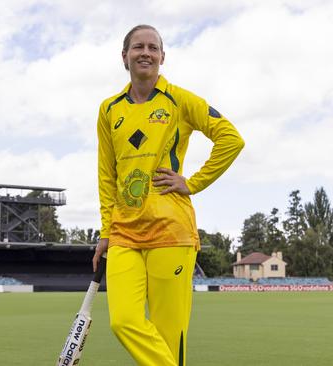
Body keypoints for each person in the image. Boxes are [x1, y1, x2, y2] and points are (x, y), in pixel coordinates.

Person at [92, 24, 244, 365]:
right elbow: (107, 176)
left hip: (171, 232)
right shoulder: (109, 109)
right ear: (124, 57)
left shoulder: (179, 100)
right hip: (124, 234)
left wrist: (192, 182)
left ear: (162, 57)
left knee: (167, 336)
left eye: (152, 47)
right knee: (123, 321)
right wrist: (105, 231)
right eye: (137, 47)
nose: (145, 52)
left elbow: (230, 139)